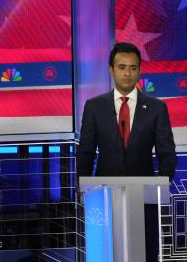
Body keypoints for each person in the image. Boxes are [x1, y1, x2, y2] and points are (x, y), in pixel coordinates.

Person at [76, 42, 177, 259]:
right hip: (103, 195)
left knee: (146, 252)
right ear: (111, 70)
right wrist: (83, 184)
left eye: (133, 68)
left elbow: (167, 151)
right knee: (106, 252)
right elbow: (86, 151)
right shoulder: (94, 107)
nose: (127, 73)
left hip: (145, 197)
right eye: (122, 67)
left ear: (139, 70)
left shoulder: (156, 108)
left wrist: (164, 182)